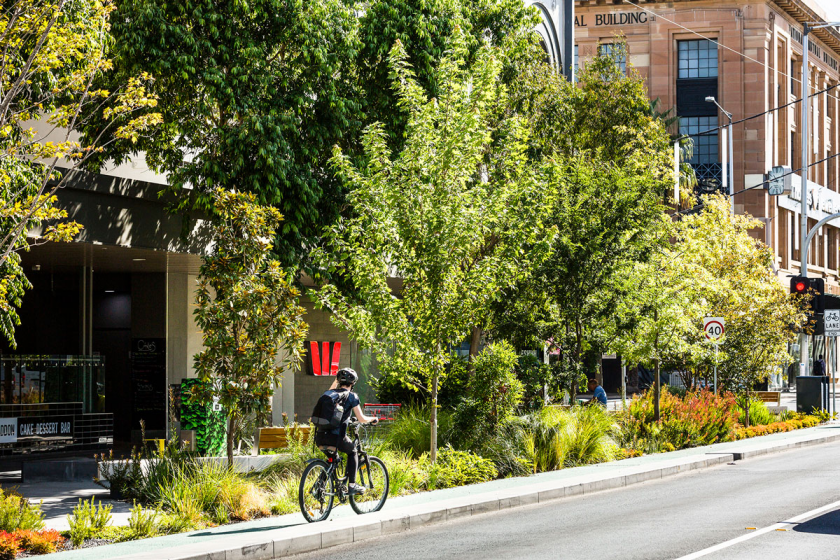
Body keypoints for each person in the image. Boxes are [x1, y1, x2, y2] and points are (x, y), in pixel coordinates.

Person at [314, 368, 378, 495]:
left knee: (333, 459)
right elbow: (361, 418)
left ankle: (320, 486)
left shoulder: (328, 394)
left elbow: (330, 390)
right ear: (353, 383)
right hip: (336, 438)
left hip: (320, 437)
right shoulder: (352, 396)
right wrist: (373, 419)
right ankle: (352, 485)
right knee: (353, 451)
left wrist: (336, 380)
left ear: (338, 381)